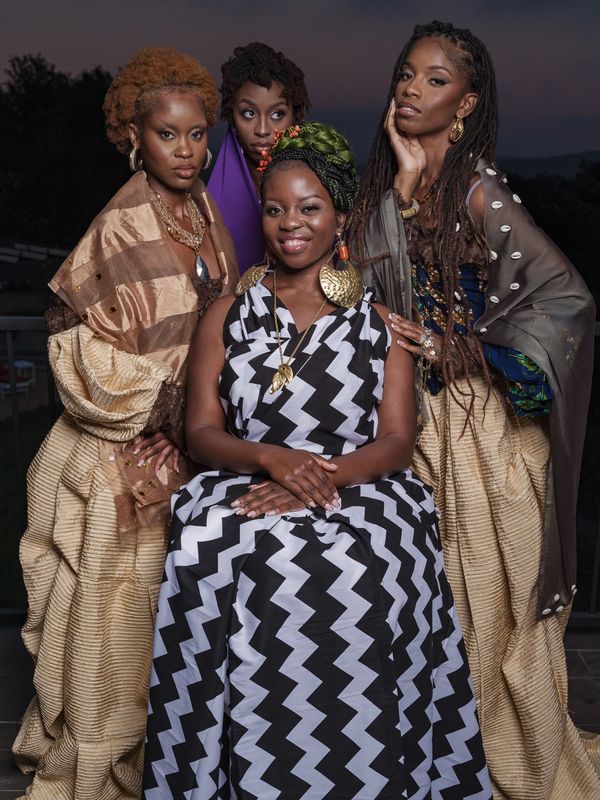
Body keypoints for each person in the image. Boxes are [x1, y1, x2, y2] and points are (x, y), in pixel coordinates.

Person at [143, 121, 491, 800]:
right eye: (274, 209)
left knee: (369, 560)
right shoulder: (226, 315)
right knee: (216, 544)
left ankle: (364, 773)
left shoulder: (376, 319)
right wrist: (274, 460)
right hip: (244, 475)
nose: (288, 225)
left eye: (308, 208)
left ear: (338, 218)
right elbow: (203, 433)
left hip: (358, 483)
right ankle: (242, 775)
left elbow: (395, 440)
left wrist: (318, 477)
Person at [350, 20, 599, 800]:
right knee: (429, 609)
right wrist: (397, 179)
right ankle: (439, 765)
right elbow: (360, 288)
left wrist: (462, 349)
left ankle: (501, 765)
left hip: (485, 436)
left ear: (467, 103)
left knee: (490, 611)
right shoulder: (398, 184)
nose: (409, 88)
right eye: (405, 73)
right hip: (411, 429)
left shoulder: (480, 188)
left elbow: (566, 299)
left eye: (433, 80)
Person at [12, 47, 238, 800]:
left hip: (189, 448)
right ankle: (105, 764)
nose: (185, 149)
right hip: (124, 451)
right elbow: (75, 345)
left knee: (172, 625)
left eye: (198, 133)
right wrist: (173, 405)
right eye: (168, 135)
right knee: (118, 629)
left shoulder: (204, 210)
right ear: (135, 139)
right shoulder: (120, 224)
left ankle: (170, 761)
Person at [208, 42, 310, 273]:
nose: (263, 129)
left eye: (277, 114)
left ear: (294, 116)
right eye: (249, 113)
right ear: (231, 116)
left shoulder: (321, 188)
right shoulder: (206, 206)